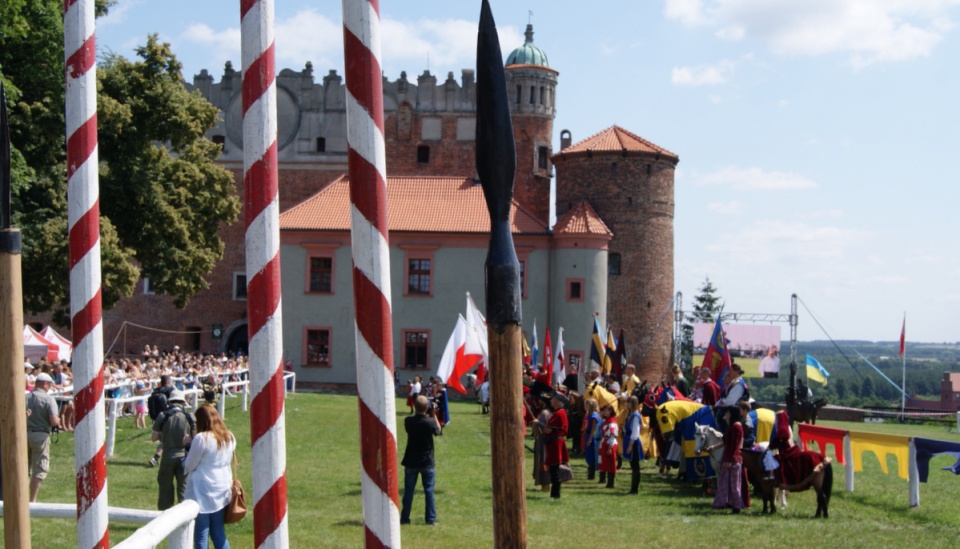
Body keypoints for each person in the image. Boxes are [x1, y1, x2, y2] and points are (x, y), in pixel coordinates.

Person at [183, 405, 236, 549]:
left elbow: (189, 465)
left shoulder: (202, 438)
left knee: (201, 534)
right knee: (218, 532)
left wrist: (187, 446)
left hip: (203, 489)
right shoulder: (229, 436)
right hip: (222, 487)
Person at [152, 390, 196, 510]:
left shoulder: (163, 415)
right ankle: (186, 517)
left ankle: (164, 519)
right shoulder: (189, 416)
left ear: (169, 401)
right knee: (184, 491)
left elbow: (154, 437)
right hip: (185, 457)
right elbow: (195, 437)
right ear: (183, 402)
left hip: (167, 456)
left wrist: (164, 435)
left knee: (165, 491)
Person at [400, 395, 441, 525]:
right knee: (429, 491)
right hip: (427, 461)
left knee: (408, 491)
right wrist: (433, 414)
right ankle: (430, 519)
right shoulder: (430, 422)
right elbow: (438, 431)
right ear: (427, 407)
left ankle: (405, 518)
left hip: (411, 461)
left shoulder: (408, 421)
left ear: (414, 406)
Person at [26, 372, 61, 502]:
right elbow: (53, 421)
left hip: (24, 434)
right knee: (39, 468)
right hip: (40, 435)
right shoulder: (49, 399)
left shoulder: (26, 397)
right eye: (50, 384)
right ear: (45, 384)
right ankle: (32, 500)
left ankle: (21, 498)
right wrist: (58, 421)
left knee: (25, 468)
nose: (50, 387)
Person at [709, 407, 744, 513]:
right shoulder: (732, 426)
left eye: (728, 413)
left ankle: (736, 506)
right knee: (725, 483)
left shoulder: (736, 427)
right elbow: (725, 441)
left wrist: (729, 460)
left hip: (732, 459)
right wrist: (712, 448)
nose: (726, 415)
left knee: (734, 485)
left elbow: (733, 445)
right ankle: (723, 502)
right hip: (730, 458)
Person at [540, 391, 571, 499]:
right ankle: (554, 493)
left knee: (554, 469)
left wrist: (538, 423)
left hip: (555, 443)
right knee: (554, 469)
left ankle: (555, 494)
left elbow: (548, 430)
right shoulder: (559, 413)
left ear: (558, 401)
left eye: (553, 399)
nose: (551, 401)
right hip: (555, 442)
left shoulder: (559, 413)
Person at [623, 396, 644, 494]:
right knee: (633, 466)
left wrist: (630, 445)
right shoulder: (630, 414)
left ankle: (634, 489)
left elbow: (635, 431)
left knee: (635, 466)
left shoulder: (635, 416)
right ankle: (633, 488)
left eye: (628, 403)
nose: (627, 404)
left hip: (633, 442)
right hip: (628, 439)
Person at [598, 403, 618, 488]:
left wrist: (609, 448)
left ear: (610, 411)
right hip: (605, 442)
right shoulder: (607, 421)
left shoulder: (612, 422)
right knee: (606, 463)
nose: (604, 412)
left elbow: (612, 435)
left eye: (606, 410)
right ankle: (607, 482)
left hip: (610, 443)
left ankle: (611, 483)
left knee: (611, 464)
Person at [581, 398, 600, 480]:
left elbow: (593, 428)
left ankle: (591, 473)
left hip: (591, 435)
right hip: (587, 434)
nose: (585, 406)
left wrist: (590, 439)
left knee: (591, 454)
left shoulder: (594, 416)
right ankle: (590, 471)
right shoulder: (588, 414)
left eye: (587, 404)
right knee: (588, 453)